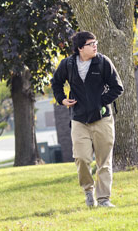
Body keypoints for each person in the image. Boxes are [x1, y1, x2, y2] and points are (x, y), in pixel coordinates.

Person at [51, 31, 124, 208]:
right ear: (80, 48)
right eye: (91, 43)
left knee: (103, 161)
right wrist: (62, 99)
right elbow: (56, 82)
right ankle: (88, 191)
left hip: (102, 119)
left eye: (95, 42)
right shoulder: (68, 64)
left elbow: (117, 87)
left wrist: (100, 102)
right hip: (79, 120)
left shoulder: (103, 62)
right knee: (82, 158)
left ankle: (104, 199)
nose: (95, 46)